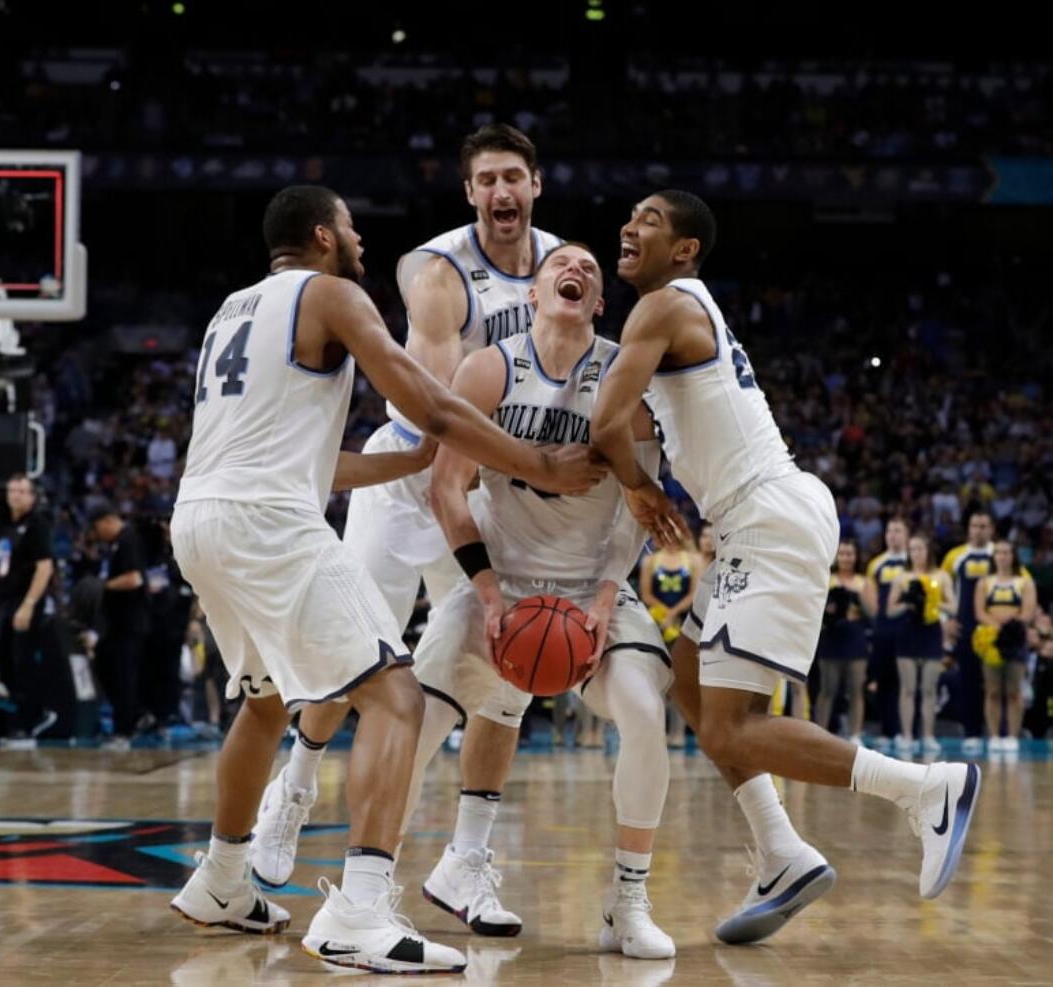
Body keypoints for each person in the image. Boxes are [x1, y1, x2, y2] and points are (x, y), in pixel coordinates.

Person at [166, 185, 601, 974]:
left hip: (201, 516)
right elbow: (431, 405)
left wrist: (403, 464)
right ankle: (358, 912)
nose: (360, 237)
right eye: (352, 226)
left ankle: (222, 880)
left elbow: (313, 460)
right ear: (325, 235)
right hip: (267, 522)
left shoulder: (232, 310)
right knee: (395, 697)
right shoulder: (331, 293)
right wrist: (538, 462)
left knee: (265, 703)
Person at [590, 189, 980, 943]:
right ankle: (783, 852)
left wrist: (639, 490)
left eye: (650, 221)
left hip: (767, 515)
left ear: (685, 249)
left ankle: (926, 788)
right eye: (629, 216)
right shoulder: (677, 314)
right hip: (751, 522)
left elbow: (607, 423)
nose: (629, 226)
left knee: (735, 727)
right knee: (694, 687)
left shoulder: (662, 305)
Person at [251, 124, 566, 929]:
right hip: (411, 472)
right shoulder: (435, 271)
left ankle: (467, 861)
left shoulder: (568, 267)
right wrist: (534, 457)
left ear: (536, 185)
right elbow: (436, 405)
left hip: (493, 479)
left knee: (506, 671)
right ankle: (296, 780)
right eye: (486, 180)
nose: (501, 192)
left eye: (513, 178)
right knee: (355, 652)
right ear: (469, 194)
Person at [399, 242, 676, 958]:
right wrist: (488, 594)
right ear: (532, 293)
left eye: (586, 268)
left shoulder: (624, 373)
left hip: (591, 585)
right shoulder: (491, 366)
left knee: (645, 715)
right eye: (561, 265)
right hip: (502, 576)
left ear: (600, 300)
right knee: (413, 719)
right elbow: (445, 487)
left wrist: (609, 596)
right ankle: (369, 888)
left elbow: (636, 510)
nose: (574, 270)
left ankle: (628, 900)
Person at [0, 473, 57, 749]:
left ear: (32, 496)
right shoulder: (5, 523)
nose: (16, 495)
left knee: (21, 661)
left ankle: (25, 725)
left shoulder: (37, 524)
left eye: (23, 491)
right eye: (13, 490)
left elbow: (45, 567)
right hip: (4, 599)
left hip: (25, 601)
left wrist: (28, 605)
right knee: (2, 659)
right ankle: (36, 712)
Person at [887, 534, 956, 756]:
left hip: (931, 632)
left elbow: (954, 608)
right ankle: (907, 734)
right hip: (908, 633)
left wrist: (934, 600)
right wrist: (908, 601)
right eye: (912, 549)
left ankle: (928, 735)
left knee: (928, 689)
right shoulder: (902, 577)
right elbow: (890, 610)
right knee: (908, 688)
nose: (915, 553)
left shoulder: (942, 576)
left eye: (919, 548)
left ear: (928, 551)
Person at [90, 502, 149, 751]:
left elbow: (134, 578)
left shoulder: (128, 539)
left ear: (106, 521)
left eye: (96, 528)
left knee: (123, 675)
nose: (96, 534)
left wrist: (103, 586)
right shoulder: (114, 545)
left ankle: (124, 731)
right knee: (105, 665)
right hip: (115, 624)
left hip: (130, 623)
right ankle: (134, 716)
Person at [941, 512, 998, 752]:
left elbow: (1022, 583)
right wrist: (946, 621)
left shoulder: (1002, 554)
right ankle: (972, 732)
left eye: (983, 525)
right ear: (968, 528)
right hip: (964, 628)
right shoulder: (955, 557)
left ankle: (999, 734)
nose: (978, 530)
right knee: (969, 683)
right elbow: (939, 589)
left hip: (995, 629)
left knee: (996, 684)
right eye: (975, 525)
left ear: (992, 529)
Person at [973, 539, 1036, 751]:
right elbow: (980, 611)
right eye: (998, 552)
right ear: (994, 557)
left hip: (1015, 641)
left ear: (1013, 556)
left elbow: (1027, 612)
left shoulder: (1024, 582)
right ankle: (993, 736)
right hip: (991, 641)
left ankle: (1011, 736)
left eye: (1006, 552)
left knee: (1013, 691)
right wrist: (997, 626)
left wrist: (1009, 627)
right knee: (992, 690)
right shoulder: (984, 583)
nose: (1002, 556)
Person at [639, 539, 703, 746]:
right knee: (655, 680)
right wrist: (664, 613)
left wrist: (674, 613)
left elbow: (696, 593)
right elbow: (646, 594)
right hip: (656, 622)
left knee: (680, 679)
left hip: (683, 623)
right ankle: (655, 730)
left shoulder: (693, 559)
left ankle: (678, 732)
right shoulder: (651, 560)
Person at [813, 540, 871, 743]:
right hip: (830, 636)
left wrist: (857, 598)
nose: (846, 558)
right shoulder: (827, 579)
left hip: (855, 637)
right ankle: (819, 735)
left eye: (850, 554)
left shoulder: (864, 582)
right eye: (843, 554)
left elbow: (873, 613)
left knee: (856, 690)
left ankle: (855, 734)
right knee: (827, 689)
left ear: (856, 557)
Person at [862, 518, 911, 747]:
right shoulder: (876, 564)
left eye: (898, 530)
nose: (893, 535)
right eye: (890, 530)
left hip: (910, 629)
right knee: (885, 680)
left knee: (908, 682)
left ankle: (908, 731)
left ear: (907, 535)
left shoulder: (914, 564)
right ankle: (887, 730)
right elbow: (871, 601)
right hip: (884, 630)